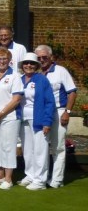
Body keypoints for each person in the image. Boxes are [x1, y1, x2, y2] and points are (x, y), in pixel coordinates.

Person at [35, 45, 77, 188]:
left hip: (58, 111)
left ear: (51, 57)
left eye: (44, 57)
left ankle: (57, 179)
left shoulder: (60, 71)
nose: (42, 60)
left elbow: (72, 92)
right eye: (39, 58)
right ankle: (42, 177)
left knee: (58, 146)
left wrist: (67, 112)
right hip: (41, 113)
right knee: (42, 147)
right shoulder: (36, 73)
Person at [0, 47, 23, 190]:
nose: (1, 61)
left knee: (8, 146)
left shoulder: (15, 76)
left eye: (4, 59)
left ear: (9, 60)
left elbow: (16, 99)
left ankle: (9, 178)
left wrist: (1, 113)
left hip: (10, 117)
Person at [17, 52, 55, 190]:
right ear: (22, 65)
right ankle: (30, 175)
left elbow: (50, 102)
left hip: (38, 120)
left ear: (37, 65)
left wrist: (47, 122)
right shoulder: (19, 79)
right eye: (26, 63)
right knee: (27, 150)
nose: (28, 65)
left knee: (40, 150)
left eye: (32, 63)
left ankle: (40, 180)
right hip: (23, 120)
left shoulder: (42, 80)